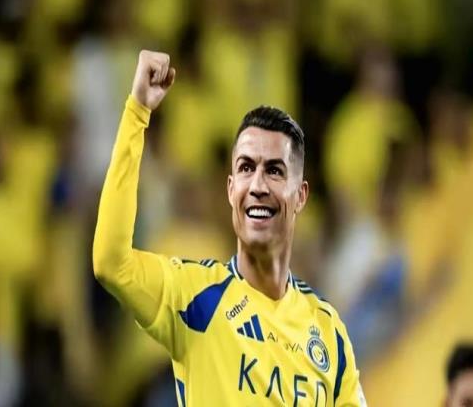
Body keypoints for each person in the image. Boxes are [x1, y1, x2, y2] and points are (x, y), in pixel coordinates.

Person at [93, 50, 367, 406]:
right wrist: (137, 113)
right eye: (246, 168)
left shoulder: (328, 333)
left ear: (300, 196)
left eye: (274, 171)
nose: (257, 185)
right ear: (230, 190)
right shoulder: (197, 296)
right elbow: (111, 263)